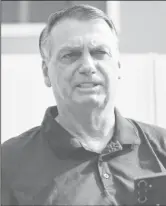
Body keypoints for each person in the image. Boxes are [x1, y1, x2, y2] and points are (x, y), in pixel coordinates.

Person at [2, 4, 166, 206]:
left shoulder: (161, 148)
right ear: (46, 72)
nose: (88, 66)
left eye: (99, 52)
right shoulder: (9, 163)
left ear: (118, 66)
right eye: (70, 55)